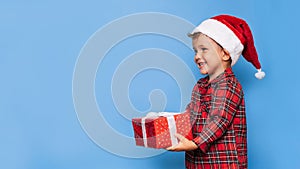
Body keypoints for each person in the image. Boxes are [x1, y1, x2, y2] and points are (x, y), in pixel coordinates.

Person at [166, 14, 265, 169]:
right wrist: (168, 125)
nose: (197, 56)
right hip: (199, 162)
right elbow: (190, 113)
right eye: (195, 51)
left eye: (204, 49)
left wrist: (194, 143)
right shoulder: (200, 85)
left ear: (225, 54)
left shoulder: (229, 85)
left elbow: (219, 120)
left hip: (224, 163)